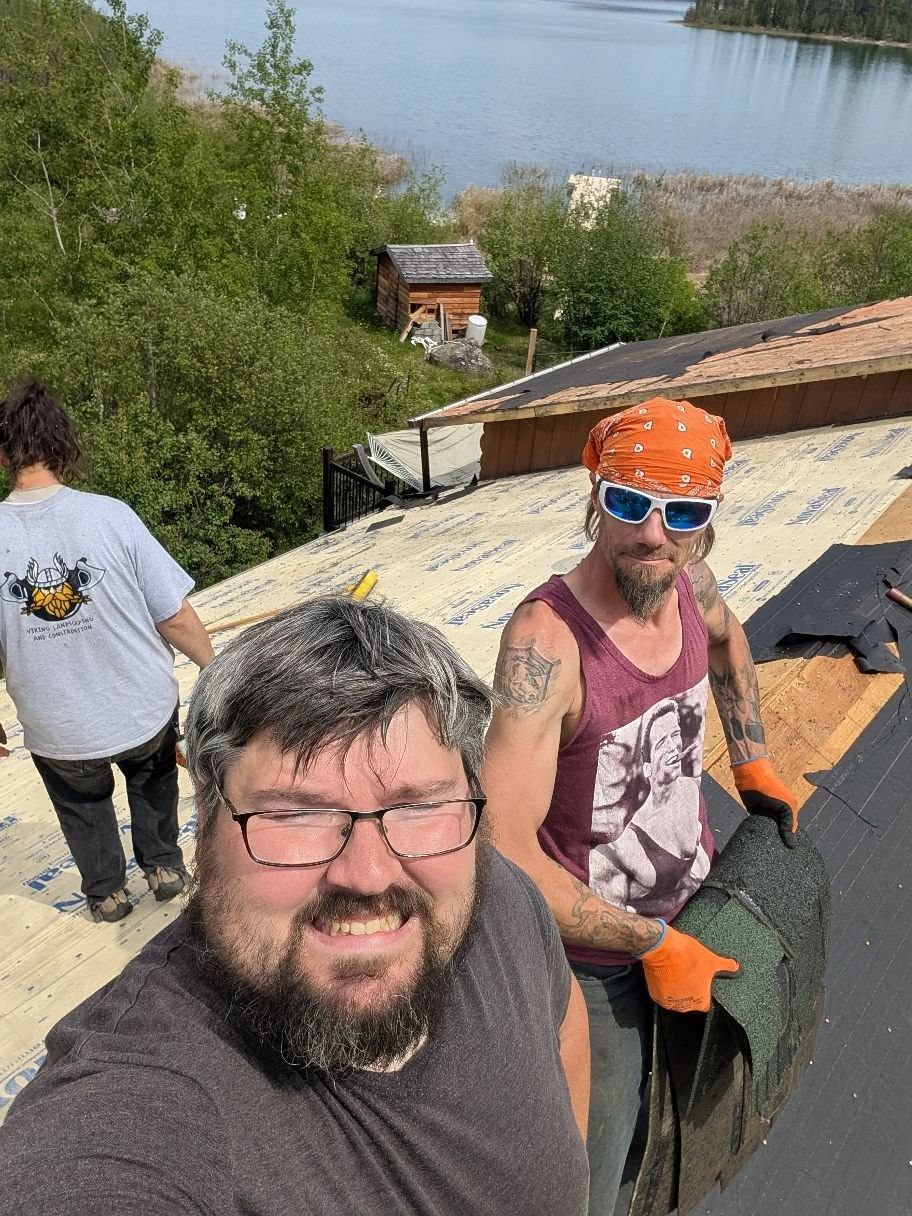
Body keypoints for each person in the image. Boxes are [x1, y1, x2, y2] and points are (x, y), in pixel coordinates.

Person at [0, 596, 591, 1216]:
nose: (367, 875)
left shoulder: (495, 892)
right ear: (205, 817)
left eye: (419, 806)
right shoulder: (136, 1104)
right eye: (297, 813)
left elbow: (560, 1017)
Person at [482, 396, 799, 1214]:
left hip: (691, 909)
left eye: (683, 511)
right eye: (629, 502)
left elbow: (729, 640)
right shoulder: (546, 644)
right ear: (596, 495)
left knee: (683, 1110)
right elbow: (502, 849)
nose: (653, 533)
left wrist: (753, 755)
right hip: (594, 964)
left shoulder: (690, 580)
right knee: (590, 1163)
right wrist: (647, 945)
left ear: (706, 521)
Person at [0, 377, 215, 922]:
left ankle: (106, 893)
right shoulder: (111, 516)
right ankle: (164, 866)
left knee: (81, 806)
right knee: (153, 780)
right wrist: (215, 670)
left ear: (4, 454)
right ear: (61, 446)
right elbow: (173, 615)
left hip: (57, 730)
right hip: (141, 709)